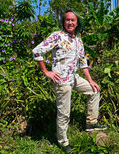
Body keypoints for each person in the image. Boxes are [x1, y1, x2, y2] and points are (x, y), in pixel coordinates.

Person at [32, 10, 106, 154]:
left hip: (74, 78)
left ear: (77, 22)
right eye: (67, 20)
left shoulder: (78, 39)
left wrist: (91, 80)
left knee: (94, 91)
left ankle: (91, 122)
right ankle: (63, 142)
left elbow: (83, 63)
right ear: (63, 22)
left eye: (73, 20)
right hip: (61, 81)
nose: (70, 22)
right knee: (64, 113)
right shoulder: (57, 36)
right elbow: (37, 52)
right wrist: (46, 71)